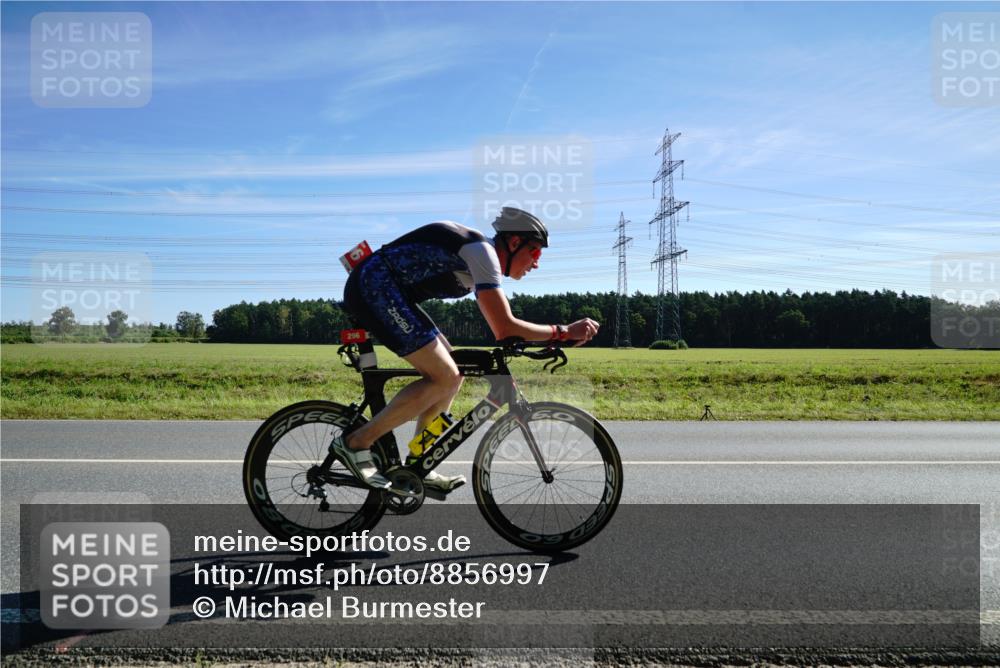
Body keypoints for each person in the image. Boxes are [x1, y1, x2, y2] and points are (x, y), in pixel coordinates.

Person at [335, 207, 599, 493]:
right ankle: (356, 443)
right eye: (534, 252)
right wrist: (562, 331)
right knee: (444, 375)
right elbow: (504, 327)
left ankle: (419, 460)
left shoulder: (479, 258)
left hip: (391, 293)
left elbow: (501, 324)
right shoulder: (482, 253)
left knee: (453, 375)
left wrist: (553, 337)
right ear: (514, 243)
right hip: (374, 288)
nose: (536, 263)